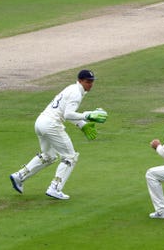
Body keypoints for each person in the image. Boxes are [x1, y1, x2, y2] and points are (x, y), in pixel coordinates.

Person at [9, 69, 108, 200]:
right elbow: (67, 114)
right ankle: (55, 187)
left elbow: (65, 111)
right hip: (51, 125)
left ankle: (19, 176)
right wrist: (87, 115)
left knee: (49, 156)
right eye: (88, 81)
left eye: (92, 82)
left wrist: (82, 124)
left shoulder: (72, 89)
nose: (90, 84)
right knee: (70, 157)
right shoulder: (76, 93)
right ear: (80, 81)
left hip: (40, 122)